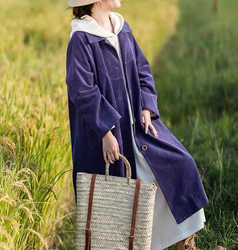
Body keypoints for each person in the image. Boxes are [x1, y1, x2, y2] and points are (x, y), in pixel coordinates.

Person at [65, 0, 209, 249]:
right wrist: (106, 131)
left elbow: (142, 68)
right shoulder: (81, 40)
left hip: (139, 129)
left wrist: (146, 105)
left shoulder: (122, 28)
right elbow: (82, 91)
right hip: (111, 135)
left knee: (179, 165)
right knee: (123, 197)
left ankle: (185, 242)